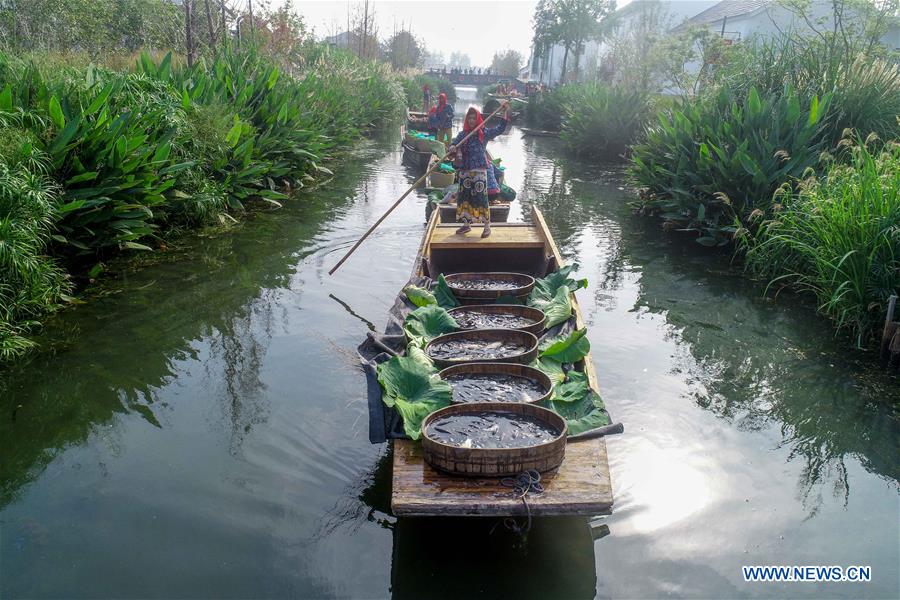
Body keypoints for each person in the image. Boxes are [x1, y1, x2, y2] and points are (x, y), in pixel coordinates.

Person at [447, 102, 510, 237]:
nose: (471, 121)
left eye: (473, 118)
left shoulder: (483, 133)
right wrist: (452, 147)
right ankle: (466, 225)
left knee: (481, 198)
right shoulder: (463, 134)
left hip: (479, 171)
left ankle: (487, 227)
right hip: (465, 171)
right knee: (465, 198)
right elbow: (453, 144)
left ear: (478, 119)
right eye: (469, 118)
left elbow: (500, 129)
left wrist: (504, 112)